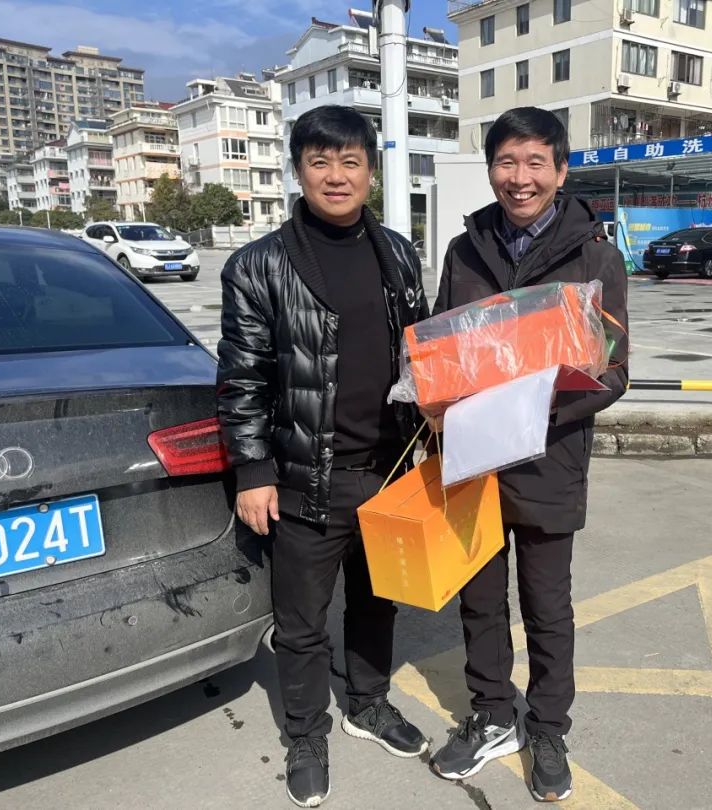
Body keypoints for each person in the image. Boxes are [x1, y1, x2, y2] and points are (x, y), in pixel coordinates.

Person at [216, 105, 430, 808]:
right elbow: (243, 377)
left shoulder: (396, 251)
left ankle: (367, 703)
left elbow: (421, 352)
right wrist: (253, 470)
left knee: (377, 601)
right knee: (302, 622)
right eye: (319, 162)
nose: (336, 177)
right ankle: (306, 734)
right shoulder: (259, 265)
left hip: (389, 468)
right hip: (306, 477)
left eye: (350, 162)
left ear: (370, 171)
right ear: (298, 171)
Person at [428, 107, 629, 802]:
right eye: (506, 162)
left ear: (561, 170)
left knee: (547, 606)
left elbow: (612, 373)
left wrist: (525, 414)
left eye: (536, 162)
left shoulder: (595, 256)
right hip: (474, 463)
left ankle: (546, 727)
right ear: (491, 169)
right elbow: (443, 343)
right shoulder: (466, 250)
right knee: (480, 601)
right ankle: (492, 714)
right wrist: (429, 396)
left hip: (549, 460)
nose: (521, 178)